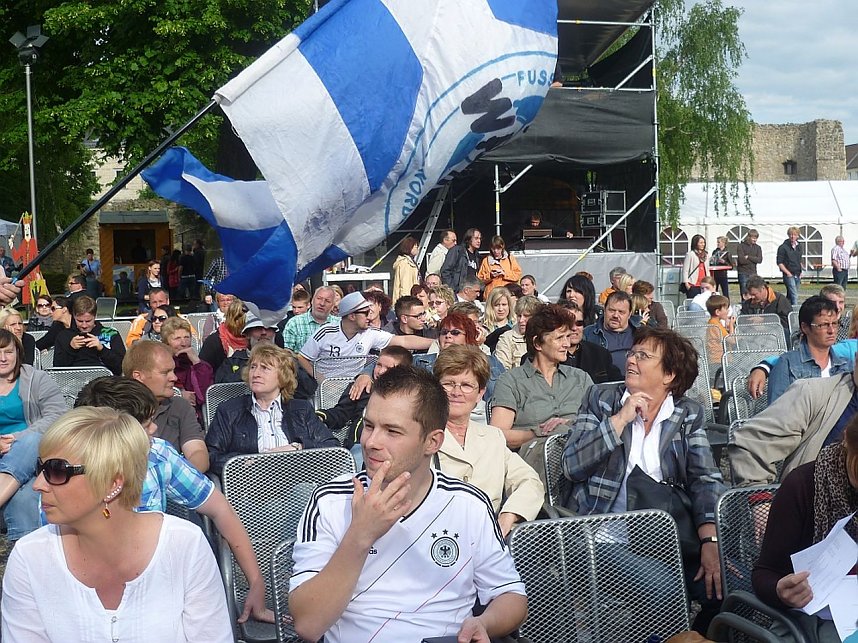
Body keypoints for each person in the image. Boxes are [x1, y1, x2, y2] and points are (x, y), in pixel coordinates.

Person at [288, 366, 527, 643]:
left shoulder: (468, 504)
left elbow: (510, 595)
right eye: (369, 426)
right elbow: (307, 624)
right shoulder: (330, 500)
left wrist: (485, 622)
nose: (371, 442)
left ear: (432, 442)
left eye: (392, 431)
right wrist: (360, 535)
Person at [0, 407, 233, 641]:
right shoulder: (29, 557)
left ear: (112, 483)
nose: (38, 484)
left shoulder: (184, 545)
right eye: (40, 468)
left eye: (57, 471)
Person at [562, 326, 727, 634]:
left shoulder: (686, 413)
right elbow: (572, 466)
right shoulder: (602, 399)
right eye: (632, 353)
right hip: (602, 537)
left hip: (670, 536)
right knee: (663, 591)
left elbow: (705, 479)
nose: (631, 360)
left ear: (669, 375)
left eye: (643, 355)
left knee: (728, 587)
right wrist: (620, 420)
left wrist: (710, 540)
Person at [74, 376, 273, 624]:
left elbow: (220, 510)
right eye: (146, 425)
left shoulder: (157, 455)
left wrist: (255, 581)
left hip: (157, 591)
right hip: (90, 600)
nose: (155, 429)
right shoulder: (64, 479)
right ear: (115, 432)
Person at [752, 415, 858, 642]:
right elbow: (765, 571)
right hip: (817, 619)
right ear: (847, 440)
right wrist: (781, 590)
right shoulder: (804, 485)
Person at [434, 345, 543, 536]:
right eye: (449, 384)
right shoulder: (419, 437)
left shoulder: (493, 437)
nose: (456, 392)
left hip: (490, 537)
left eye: (467, 385)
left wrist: (508, 516)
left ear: (480, 394)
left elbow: (529, 481)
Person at [491, 304, 593, 480]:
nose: (567, 344)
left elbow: (599, 422)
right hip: (534, 466)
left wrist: (567, 424)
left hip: (582, 461)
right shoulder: (512, 381)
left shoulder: (580, 378)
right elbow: (498, 434)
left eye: (568, 337)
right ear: (538, 343)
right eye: (560, 338)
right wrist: (538, 432)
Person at [205, 344, 338, 476]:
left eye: (264, 368)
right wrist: (241, 462)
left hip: (297, 481)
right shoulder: (229, 411)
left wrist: (298, 447)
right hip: (249, 485)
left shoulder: (301, 410)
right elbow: (211, 455)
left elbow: (333, 448)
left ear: (282, 376)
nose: (256, 374)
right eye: (253, 367)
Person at [0, 330, 65, 541]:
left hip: (31, 457)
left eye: (8, 352)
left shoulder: (36, 379)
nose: (3, 358)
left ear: (18, 353)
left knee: (32, 441)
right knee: (24, 496)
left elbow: (57, 414)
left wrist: (17, 438)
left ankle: (21, 554)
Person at [298, 292, 433, 380]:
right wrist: (320, 378)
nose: (370, 317)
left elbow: (403, 341)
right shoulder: (326, 332)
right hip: (325, 390)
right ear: (351, 316)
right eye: (365, 313)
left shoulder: (370, 333)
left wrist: (437, 343)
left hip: (355, 387)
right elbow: (302, 357)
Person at [317, 345, 412, 465]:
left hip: (392, 449)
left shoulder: (408, 396)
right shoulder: (362, 388)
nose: (381, 371)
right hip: (360, 446)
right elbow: (341, 413)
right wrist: (320, 416)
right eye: (379, 365)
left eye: (389, 368)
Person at [123, 340, 209, 473]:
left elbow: (198, 453)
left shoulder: (180, 406)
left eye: (173, 371)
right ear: (138, 377)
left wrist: (171, 478)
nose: (174, 377)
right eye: (165, 372)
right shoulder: (116, 412)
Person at [766, 295, 849, 404]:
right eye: (824, 325)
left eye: (834, 324)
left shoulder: (845, 365)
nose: (831, 330)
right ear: (805, 327)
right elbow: (776, 411)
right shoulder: (787, 364)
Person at [54, 295, 125, 374]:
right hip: (74, 381)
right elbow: (58, 369)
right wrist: (71, 348)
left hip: (105, 382)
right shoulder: (64, 336)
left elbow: (121, 367)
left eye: (88, 321)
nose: (84, 325)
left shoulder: (110, 334)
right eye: (80, 321)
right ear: (74, 316)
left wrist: (102, 349)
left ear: (95, 317)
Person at [161, 317, 213, 417]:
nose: (183, 343)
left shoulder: (202, 366)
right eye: (177, 339)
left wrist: (196, 363)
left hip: (196, 416)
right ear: (166, 343)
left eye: (186, 337)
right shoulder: (161, 365)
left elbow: (204, 396)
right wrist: (178, 394)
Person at [560, 301, 623, 384]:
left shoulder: (600, 354)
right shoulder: (550, 357)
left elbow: (617, 384)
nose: (574, 328)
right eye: (569, 323)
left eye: (579, 323)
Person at [583, 291, 641, 375]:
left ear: (629, 314)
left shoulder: (641, 334)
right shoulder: (588, 335)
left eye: (621, 312)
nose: (615, 315)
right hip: (603, 385)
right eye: (612, 310)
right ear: (604, 310)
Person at [282, 286, 339, 352]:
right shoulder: (294, 323)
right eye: (319, 298)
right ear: (312, 301)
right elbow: (287, 352)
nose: (322, 303)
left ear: (333, 305)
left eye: (327, 301)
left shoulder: (339, 324)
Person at [199, 298, 247, 374]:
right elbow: (203, 373)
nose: (239, 321)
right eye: (236, 318)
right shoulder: (213, 342)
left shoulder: (256, 340)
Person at [494, 295, 542, 371]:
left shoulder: (546, 337)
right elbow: (502, 370)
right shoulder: (507, 338)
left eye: (526, 316)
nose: (521, 320)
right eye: (519, 316)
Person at [477, 235, 521, 299]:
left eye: (498, 248)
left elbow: (518, 275)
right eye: (493, 248)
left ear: (502, 247)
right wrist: (490, 276)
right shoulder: (486, 261)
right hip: (491, 296)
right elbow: (479, 280)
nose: (496, 251)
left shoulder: (510, 259)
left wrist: (504, 273)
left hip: (507, 295)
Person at [440, 227, 482, 293]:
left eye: (480, 238)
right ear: (469, 238)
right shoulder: (458, 251)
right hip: (458, 292)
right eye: (476, 238)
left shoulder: (477, 255)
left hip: (471, 292)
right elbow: (445, 271)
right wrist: (452, 289)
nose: (479, 241)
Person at [705, 294, 734, 371]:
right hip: (718, 360)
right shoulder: (716, 325)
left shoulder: (713, 322)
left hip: (714, 359)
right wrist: (731, 325)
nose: (728, 311)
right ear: (718, 312)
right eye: (726, 309)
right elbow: (732, 340)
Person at [777, 226, 803, 306]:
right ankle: (795, 313)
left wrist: (801, 271)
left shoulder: (799, 246)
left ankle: (785, 309)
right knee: (794, 295)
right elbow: (779, 262)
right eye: (791, 234)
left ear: (798, 236)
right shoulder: (783, 247)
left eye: (795, 235)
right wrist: (787, 273)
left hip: (797, 273)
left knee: (790, 295)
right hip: (789, 274)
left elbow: (799, 260)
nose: (792, 236)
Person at [391, 236, 420, 303]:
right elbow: (405, 285)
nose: (418, 249)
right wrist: (407, 302)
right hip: (407, 301)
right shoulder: (405, 263)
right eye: (416, 247)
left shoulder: (409, 261)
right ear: (409, 248)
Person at [736, 229, 762, 297]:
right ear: (749, 237)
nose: (754, 240)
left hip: (753, 272)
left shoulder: (758, 248)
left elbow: (759, 260)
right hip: (743, 272)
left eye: (756, 238)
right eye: (753, 238)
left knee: (754, 291)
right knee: (744, 292)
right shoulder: (741, 246)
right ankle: (744, 306)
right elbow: (741, 260)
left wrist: (749, 257)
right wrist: (754, 259)